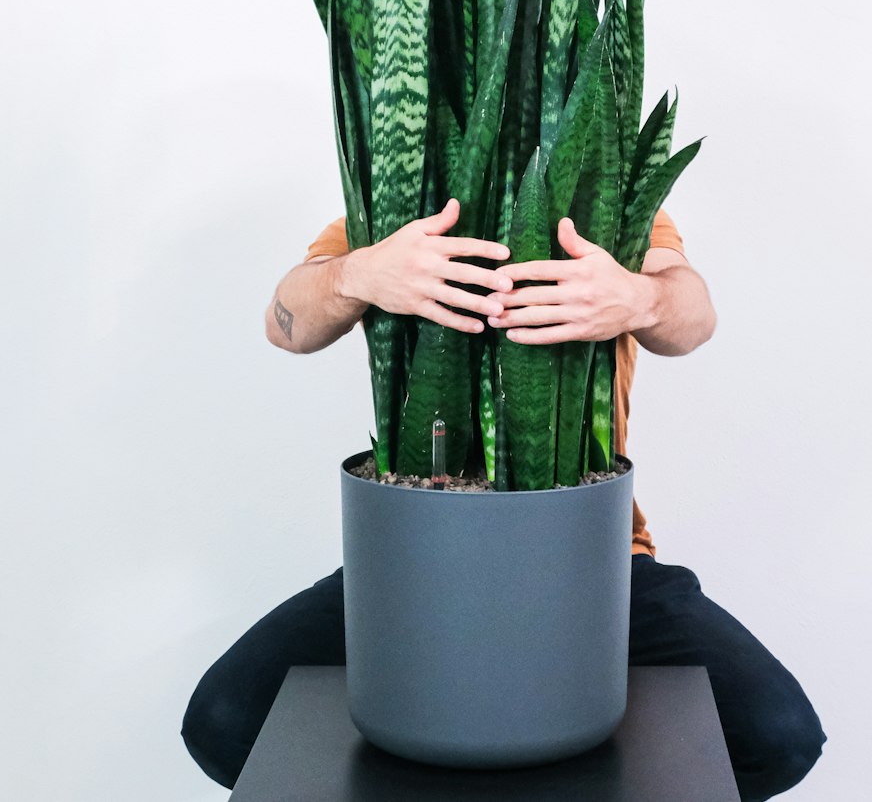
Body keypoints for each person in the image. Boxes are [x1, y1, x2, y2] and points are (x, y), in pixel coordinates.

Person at [182, 197, 826, 799]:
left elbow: (694, 316)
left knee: (776, 733)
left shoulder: (613, 199)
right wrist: (359, 275)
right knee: (226, 715)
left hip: (596, 558)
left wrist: (638, 299)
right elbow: (284, 322)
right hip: (417, 559)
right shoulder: (403, 206)